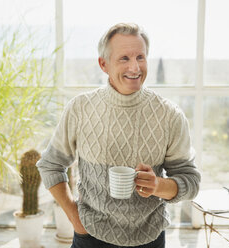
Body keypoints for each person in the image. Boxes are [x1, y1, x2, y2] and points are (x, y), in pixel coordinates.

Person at [37, 23, 201, 248]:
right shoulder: (80, 108)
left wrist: (158, 185)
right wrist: (76, 221)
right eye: (124, 58)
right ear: (103, 64)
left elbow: (190, 181)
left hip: (150, 240)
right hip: (90, 237)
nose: (135, 67)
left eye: (140, 57)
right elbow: (50, 165)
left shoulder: (170, 115)